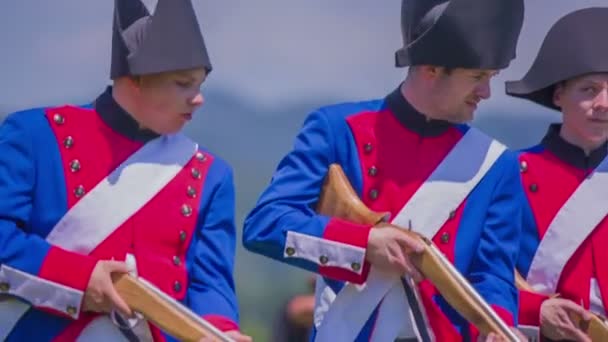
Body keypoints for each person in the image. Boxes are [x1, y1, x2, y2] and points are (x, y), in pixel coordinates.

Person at [243, 0, 526, 340]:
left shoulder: (497, 165)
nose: (486, 92)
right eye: (478, 77)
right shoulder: (337, 130)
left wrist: (496, 325)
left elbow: (494, 274)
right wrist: (365, 244)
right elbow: (265, 226)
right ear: (432, 68)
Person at [0, 0, 250, 340]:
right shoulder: (34, 137)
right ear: (137, 79)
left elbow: (210, 284)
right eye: (183, 83)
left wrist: (220, 331)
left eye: (200, 84)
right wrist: (79, 279)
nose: (198, 98)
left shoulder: (210, 175)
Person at [506, 7, 608, 342]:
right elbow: (481, 275)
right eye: (589, 89)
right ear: (558, 94)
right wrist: (535, 312)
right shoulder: (509, 174)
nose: (603, 103)